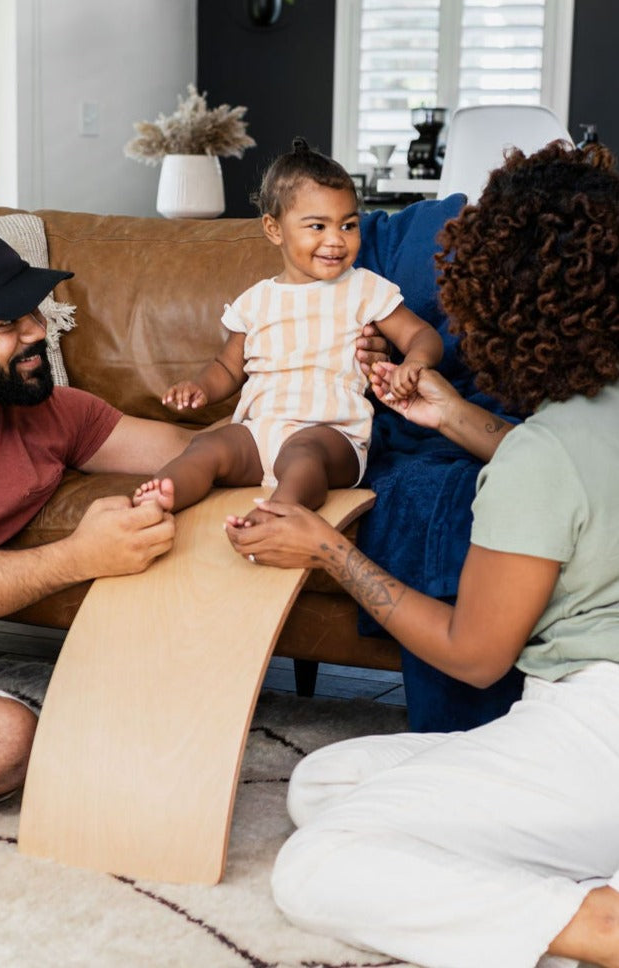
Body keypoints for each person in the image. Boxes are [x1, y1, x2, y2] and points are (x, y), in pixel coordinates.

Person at [226, 141, 619, 967]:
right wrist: (448, 414)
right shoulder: (575, 427)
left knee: (317, 866)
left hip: (597, 729)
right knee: (322, 784)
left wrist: (330, 549)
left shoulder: (542, 454)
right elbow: (563, 461)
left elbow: (474, 659)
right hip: (590, 732)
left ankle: (598, 922)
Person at [0, 223, 387, 822]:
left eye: (32, 312)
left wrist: (319, 389)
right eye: (4, 325)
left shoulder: (49, 412)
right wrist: (77, 556)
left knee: (7, 737)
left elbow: (209, 450)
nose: (36, 332)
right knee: (1, 740)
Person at [133, 138, 442, 523]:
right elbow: (228, 368)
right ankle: (162, 494)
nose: (336, 239)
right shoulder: (255, 301)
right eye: (317, 226)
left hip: (332, 435)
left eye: (348, 225)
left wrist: (416, 362)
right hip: (259, 432)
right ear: (274, 229)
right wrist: (200, 387)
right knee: (208, 446)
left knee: (303, 454)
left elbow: (422, 335)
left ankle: (284, 508)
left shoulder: (364, 288)